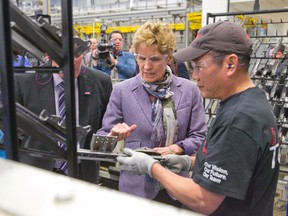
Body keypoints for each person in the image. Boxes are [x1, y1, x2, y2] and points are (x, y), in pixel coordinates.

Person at [116, 20, 280, 215]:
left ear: (230, 64)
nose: (194, 76)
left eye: (200, 66)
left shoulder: (239, 119)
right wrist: (189, 162)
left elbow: (203, 199)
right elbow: (233, 164)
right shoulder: (251, 103)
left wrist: (151, 167)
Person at [96, 21, 207, 206]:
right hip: (136, 189)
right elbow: (102, 140)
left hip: (177, 187)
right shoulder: (122, 91)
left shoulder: (188, 91)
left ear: (169, 57)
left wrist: (176, 148)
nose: (146, 66)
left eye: (154, 59)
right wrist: (113, 136)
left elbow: (199, 136)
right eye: (141, 58)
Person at [14, 36, 113, 184]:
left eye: (77, 55)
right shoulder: (24, 82)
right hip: (37, 171)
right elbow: (15, 131)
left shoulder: (101, 82)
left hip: (83, 173)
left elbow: (105, 126)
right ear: (50, 55)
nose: (72, 61)